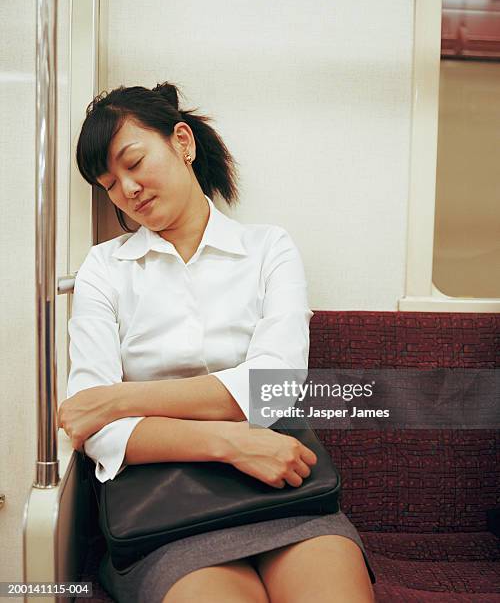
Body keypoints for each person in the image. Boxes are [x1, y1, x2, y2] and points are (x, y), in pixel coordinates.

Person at [59, 82, 376, 603]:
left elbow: (272, 387)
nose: (128, 189)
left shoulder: (268, 248)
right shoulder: (103, 268)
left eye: (134, 162)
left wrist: (123, 398)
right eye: (109, 183)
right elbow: (95, 433)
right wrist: (231, 443)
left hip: (281, 496)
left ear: (182, 142)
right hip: (163, 513)